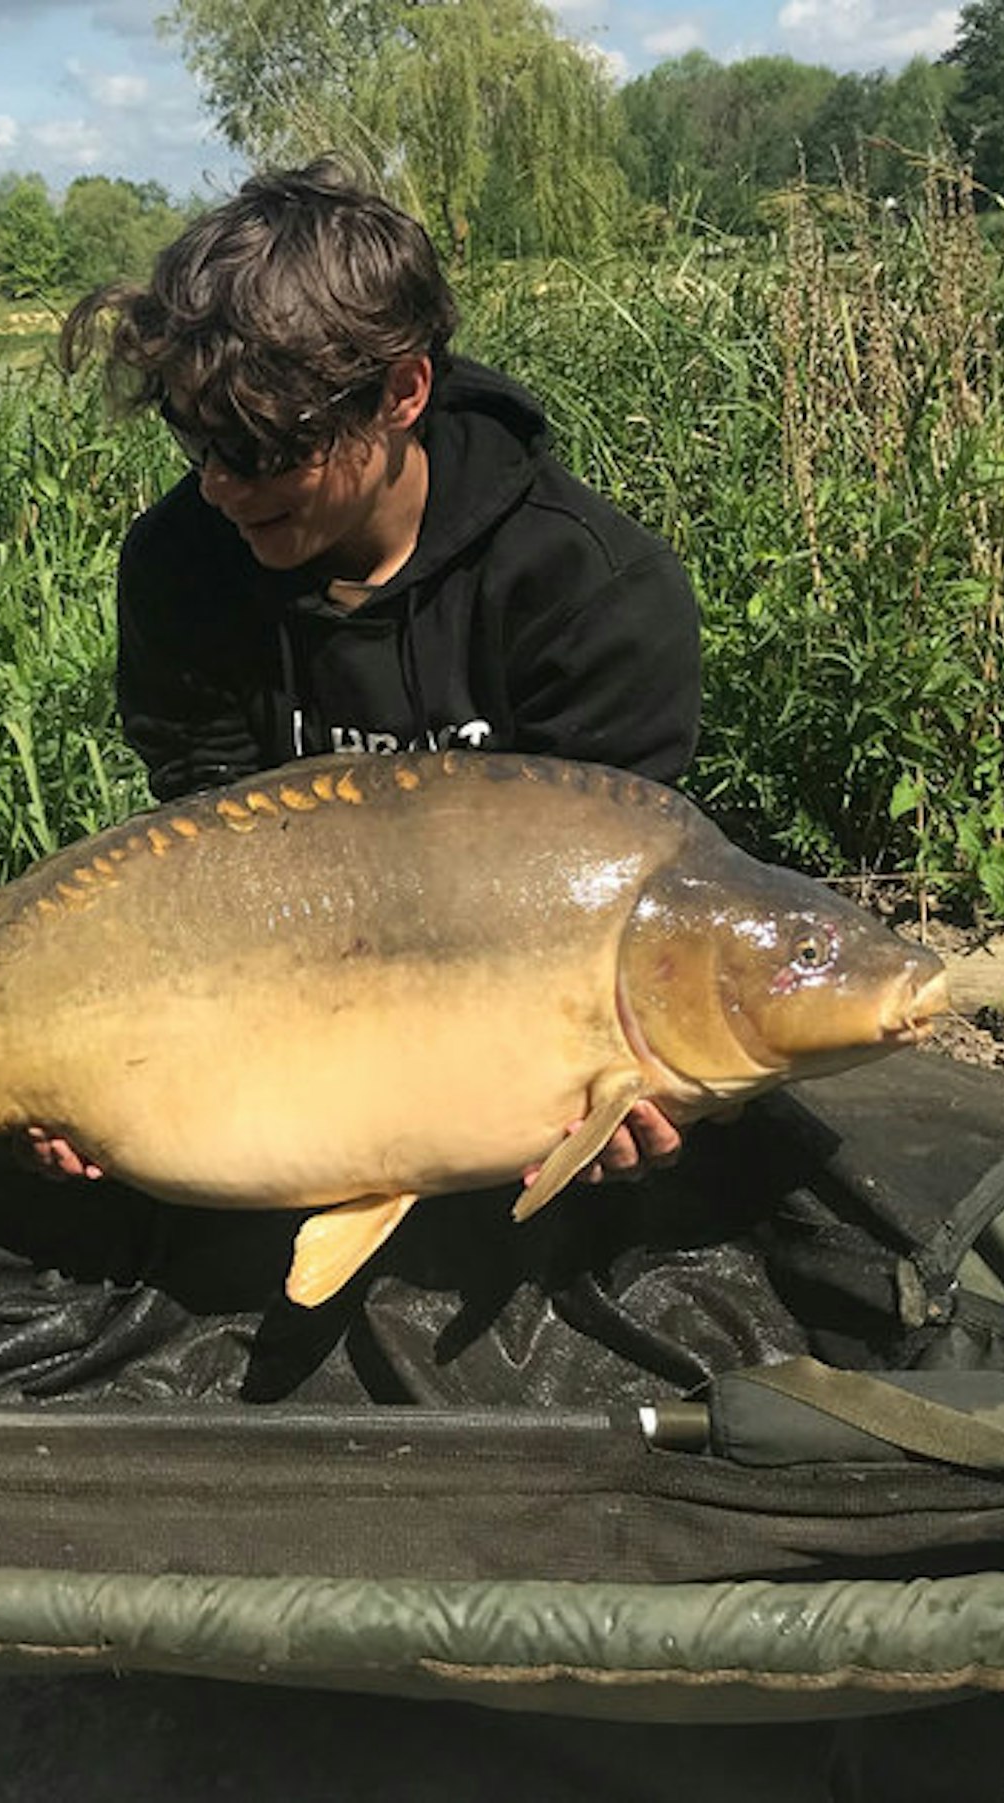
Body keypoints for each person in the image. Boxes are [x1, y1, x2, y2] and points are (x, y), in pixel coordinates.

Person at [40, 155, 701, 1189]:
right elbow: (201, 851)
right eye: (194, 441)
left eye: (259, 448)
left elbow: (615, 886)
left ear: (402, 392)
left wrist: (620, 1083)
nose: (218, 486)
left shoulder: (593, 588)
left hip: (500, 1034)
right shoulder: (176, 565)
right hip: (278, 1009)